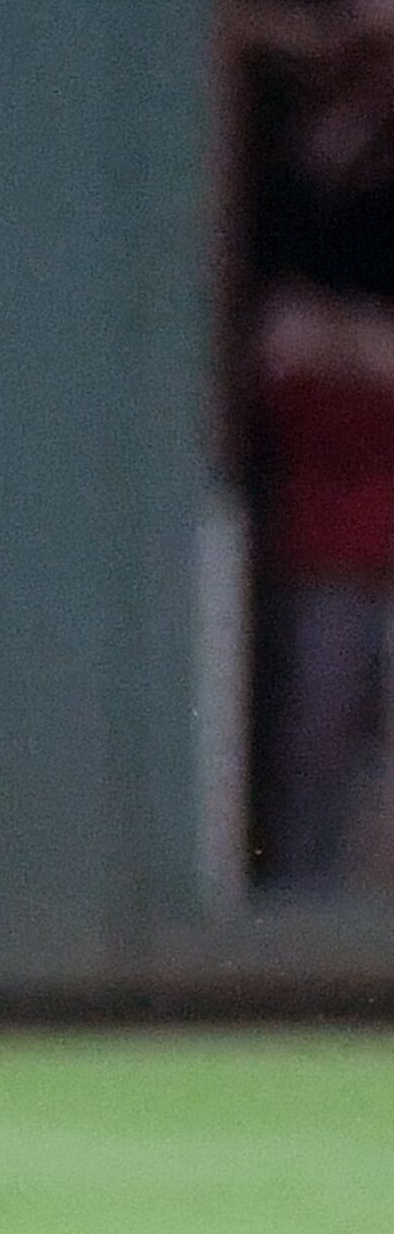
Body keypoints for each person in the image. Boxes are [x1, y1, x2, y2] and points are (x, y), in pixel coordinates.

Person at [256, 278, 394, 884]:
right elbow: (287, 400)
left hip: (371, 564)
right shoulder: (301, 374)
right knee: (318, 743)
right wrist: (351, 348)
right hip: (329, 571)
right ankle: (305, 887)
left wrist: (344, 345)